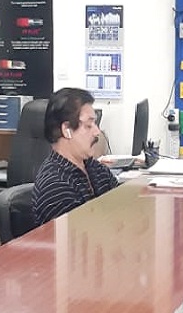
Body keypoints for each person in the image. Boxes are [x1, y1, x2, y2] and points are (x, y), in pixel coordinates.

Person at [32, 87, 119, 225]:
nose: (97, 131)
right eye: (89, 125)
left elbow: (121, 208)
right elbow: (83, 233)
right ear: (66, 130)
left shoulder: (95, 168)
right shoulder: (55, 187)